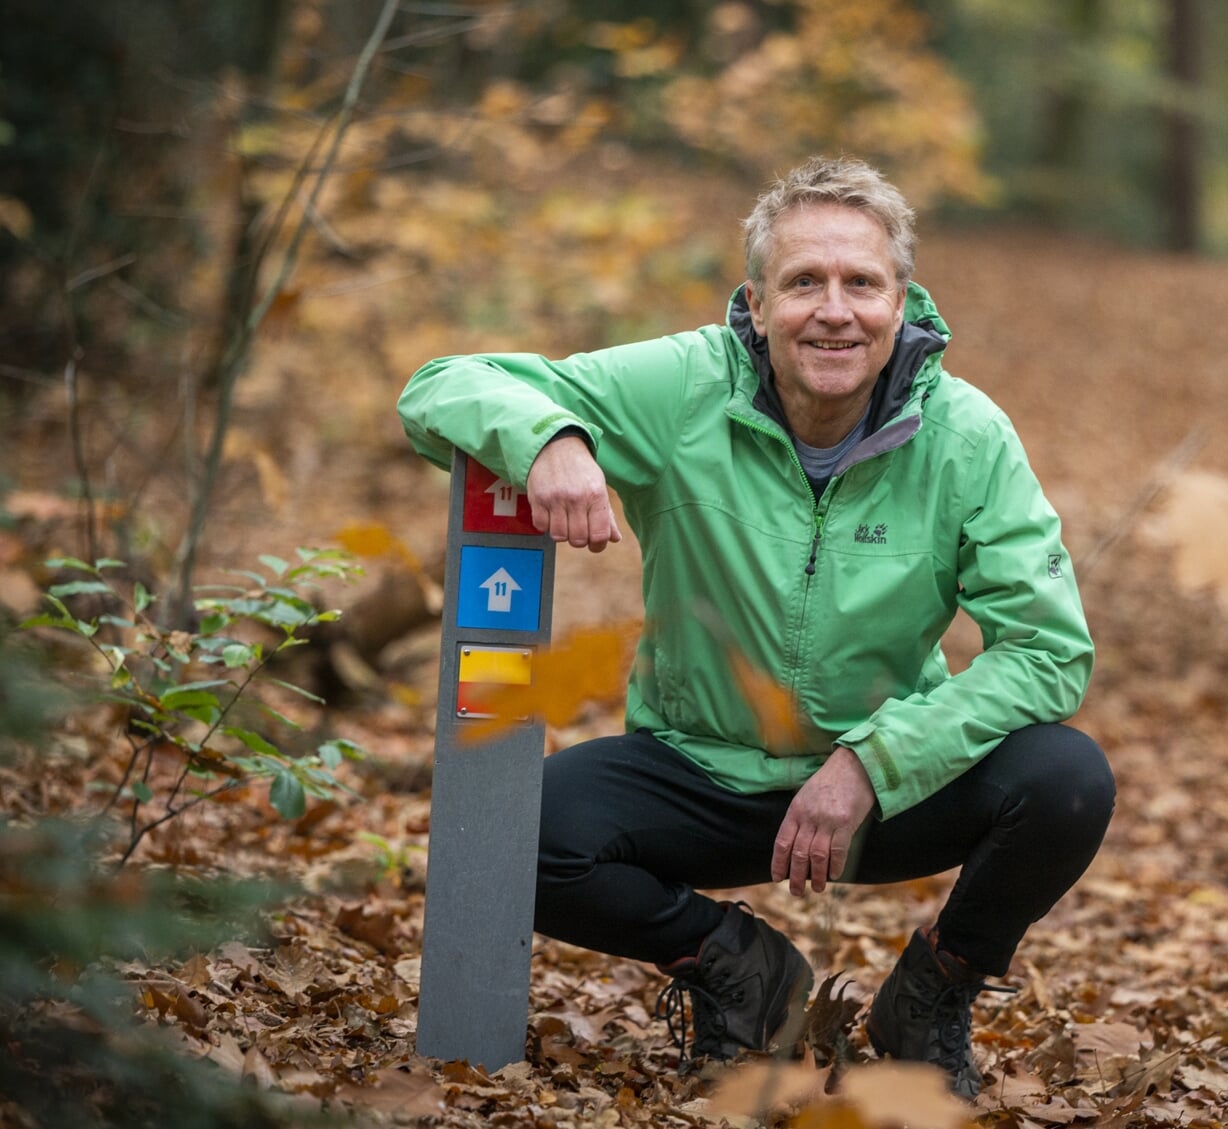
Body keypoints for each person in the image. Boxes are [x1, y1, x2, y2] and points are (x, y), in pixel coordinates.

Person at [396, 156, 1113, 1098]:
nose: (834, 309)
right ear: (757, 300)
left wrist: (871, 762)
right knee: (509, 835)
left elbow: (1047, 649)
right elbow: (443, 383)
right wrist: (551, 440)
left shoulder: (966, 437)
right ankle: (735, 965)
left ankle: (930, 994)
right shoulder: (684, 385)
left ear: (901, 302)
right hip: (701, 765)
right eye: (803, 281)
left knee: (1065, 780)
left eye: (861, 283)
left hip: (884, 787)